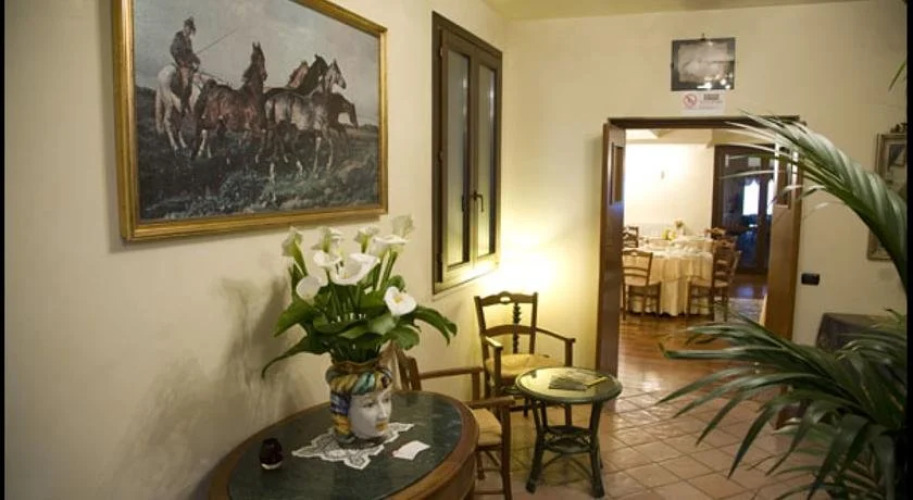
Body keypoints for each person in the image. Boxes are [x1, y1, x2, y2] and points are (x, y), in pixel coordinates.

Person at [170, 17, 201, 115]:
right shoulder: (178, 37)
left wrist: (197, 60)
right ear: (184, 27)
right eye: (188, 28)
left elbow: (190, 53)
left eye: (190, 29)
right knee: (186, 83)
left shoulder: (189, 41)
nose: (189, 30)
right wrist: (180, 61)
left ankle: (189, 101)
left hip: (187, 64)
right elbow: (173, 49)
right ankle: (182, 105)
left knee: (196, 80)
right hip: (180, 64)